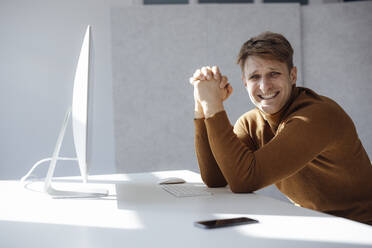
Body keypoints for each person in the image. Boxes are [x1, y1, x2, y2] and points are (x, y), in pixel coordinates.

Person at [189, 31, 372, 225]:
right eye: (254, 76)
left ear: (292, 75)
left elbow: (244, 180)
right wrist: (201, 106)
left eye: (273, 74)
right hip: (315, 225)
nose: (264, 86)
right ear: (244, 82)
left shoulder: (315, 116)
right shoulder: (252, 123)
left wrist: (213, 105)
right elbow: (216, 178)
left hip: (360, 228)